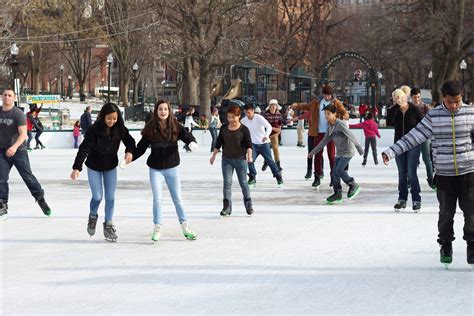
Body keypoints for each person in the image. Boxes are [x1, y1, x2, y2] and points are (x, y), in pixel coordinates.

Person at [382, 81, 474, 266]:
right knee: (446, 213)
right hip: (445, 174)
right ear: (443, 99)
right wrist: (391, 151)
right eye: (450, 102)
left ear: (462, 98)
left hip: (469, 172)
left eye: (457, 101)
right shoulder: (434, 116)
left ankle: (472, 245)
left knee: (472, 213)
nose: (454, 106)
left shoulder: (471, 114)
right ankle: (446, 244)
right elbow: (413, 136)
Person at [133, 100, 197, 242]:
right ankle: (158, 227)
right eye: (160, 109)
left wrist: (192, 142)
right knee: (158, 200)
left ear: (169, 111)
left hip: (172, 168)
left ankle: (185, 226)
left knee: (177, 199)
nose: (163, 112)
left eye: (165, 109)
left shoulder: (175, 126)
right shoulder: (151, 128)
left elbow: (187, 136)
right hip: (155, 169)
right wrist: (129, 158)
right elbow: (141, 148)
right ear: (156, 111)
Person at [70, 102, 136, 242]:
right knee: (97, 196)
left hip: (110, 167)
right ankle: (93, 216)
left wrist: (129, 152)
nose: (111, 121)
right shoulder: (94, 130)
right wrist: (77, 167)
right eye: (109, 118)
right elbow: (84, 149)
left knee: (110, 197)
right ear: (102, 117)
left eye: (114, 118)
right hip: (94, 166)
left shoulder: (119, 128)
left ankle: (108, 224)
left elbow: (130, 141)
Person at [0, 89, 51, 220]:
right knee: (1, 177)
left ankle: (40, 198)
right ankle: (2, 203)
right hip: (2, 150)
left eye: (9, 95)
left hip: (19, 150)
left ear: (14, 98)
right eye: (5, 95)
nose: (6, 97)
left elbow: (23, 134)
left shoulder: (18, 114)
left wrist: (14, 147)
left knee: (27, 176)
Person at [290, 85, 348, 188]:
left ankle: (333, 177)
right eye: (325, 95)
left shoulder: (335, 102)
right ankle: (317, 177)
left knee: (331, 156)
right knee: (317, 155)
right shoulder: (317, 102)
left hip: (331, 132)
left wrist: (345, 115)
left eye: (329, 95)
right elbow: (306, 106)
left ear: (331, 95)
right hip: (318, 132)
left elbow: (344, 111)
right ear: (323, 94)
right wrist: (297, 105)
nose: (327, 97)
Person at [308, 104, 363, 203]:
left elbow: (350, 135)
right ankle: (338, 194)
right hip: (340, 153)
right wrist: (313, 152)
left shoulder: (340, 124)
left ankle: (353, 184)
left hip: (348, 151)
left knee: (339, 170)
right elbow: (324, 141)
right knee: (334, 173)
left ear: (334, 114)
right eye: (325, 114)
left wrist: (359, 148)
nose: (326, 116)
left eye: (328, 114)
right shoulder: (330, 127)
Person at [210, 105, 253, 217]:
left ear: (239, 116)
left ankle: (248, 203)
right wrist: (213, 156)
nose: (231, 120)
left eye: (233, 117)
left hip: (240, 159)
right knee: (227, 183)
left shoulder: (244, 129)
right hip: (226, 159)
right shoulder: (224, 128)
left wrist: (249, 156)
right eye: (229, 117)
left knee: (243, 182)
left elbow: (248, 144)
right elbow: (218, 142)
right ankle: (227, 207)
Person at [385, 88, 423, 212]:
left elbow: (422, 124)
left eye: (400, 97)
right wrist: (396, 107)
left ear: (405, 97)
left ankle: (416, 199)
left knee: (411, 173)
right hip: (399, 146)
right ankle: (402, 199)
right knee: (402, 174)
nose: (398, 100)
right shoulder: (393, 110)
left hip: (413, 145)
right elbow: (388, 122)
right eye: (396, 98)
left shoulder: (413, 109)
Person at [241, 103, 283, 187]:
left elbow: (269, 127)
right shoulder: (244, 120)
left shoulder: (259, 118)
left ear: (253, 111)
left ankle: (278, 176)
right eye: (245, 113)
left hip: (264, 144)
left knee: (270, 161)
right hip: (252, 144)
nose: (247, 115)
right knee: (249, 160)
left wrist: (266, 136)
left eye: (248, 112)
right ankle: (252, 177)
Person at [411, 87, 435, 189]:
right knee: (412, 160)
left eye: (418, 97)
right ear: (411, 97)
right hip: (412, 136)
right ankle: (409, 180)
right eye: (414, 97)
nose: (416, 99)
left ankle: (431, 179)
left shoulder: (425, 107)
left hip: (424, 136)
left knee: (427, 159)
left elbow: (432, 119)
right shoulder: (408, 107)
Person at [262, 99, 283, 172]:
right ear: (270, 106)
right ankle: (266, 162)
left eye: (275, 105)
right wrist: (274, 128)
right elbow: (264, 125)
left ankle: (278, 165)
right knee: (266, 150)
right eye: (272, 105)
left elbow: (280, 124)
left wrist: (279, 131)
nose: (274, 107)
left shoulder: (278, 114)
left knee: (275, 149)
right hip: (266, 134)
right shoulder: (265, 114)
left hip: (274, 134)